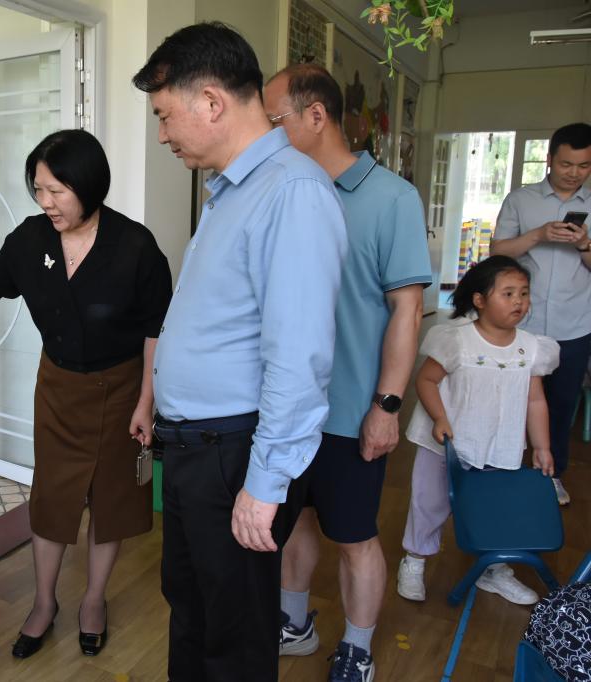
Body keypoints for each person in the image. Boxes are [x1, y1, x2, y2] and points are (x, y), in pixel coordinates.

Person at [132, 23, 347, 682]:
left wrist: (265, 483)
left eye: (165, 116)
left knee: (235, 634)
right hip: (197, 450)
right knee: (193, 608)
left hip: (234, 454)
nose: (163, 134)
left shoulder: (292, 191)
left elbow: (299, 354)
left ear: (212, 102)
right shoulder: (233, 190)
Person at [0, 129, 172, 659]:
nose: (45, 201)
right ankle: (44, 603)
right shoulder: (30, 240)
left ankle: (93, 601)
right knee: (51, 499)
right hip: (59, 389)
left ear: (89, 186)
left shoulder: (135, 245)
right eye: (38, 189)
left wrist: (147, 401)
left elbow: (156, 331)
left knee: (112, 501)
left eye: (56, 190)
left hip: (122, 390)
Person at [262, 64, 430, 682]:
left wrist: (386, 406)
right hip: (285, 406)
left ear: (315, 116)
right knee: (296, 521)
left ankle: (357, 648)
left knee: (355, 535)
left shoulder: (392, 198)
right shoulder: (282, 190)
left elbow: (407, 310)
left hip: (351, 408)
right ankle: (294, 622)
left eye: (273, 120)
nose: (265, 133)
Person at [397, 256, 558, 606]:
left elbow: (535, 401)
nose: (519, 301)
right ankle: (414, 560)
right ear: (480, 300)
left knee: (494, 509)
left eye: (524, 293)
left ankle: (493, 569)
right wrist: (440, 418)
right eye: (508, 293)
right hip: (446, 445)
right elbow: (426, 380)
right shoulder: (457, 341)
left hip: (498, 446)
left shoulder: (531, 348)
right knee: (429, 504)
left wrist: (542, 447)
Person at [489, 122, 591, 506]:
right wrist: (538, 235)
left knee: (562, 406)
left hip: (575, 325)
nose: (574, 173)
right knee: (512, 402)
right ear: (549, 160)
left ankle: (552, 475)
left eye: (584, 166)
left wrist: (584, 244)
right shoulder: (521, 199)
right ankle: (504, 470)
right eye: (566, 164)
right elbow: (497, 252)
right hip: (521, 324)